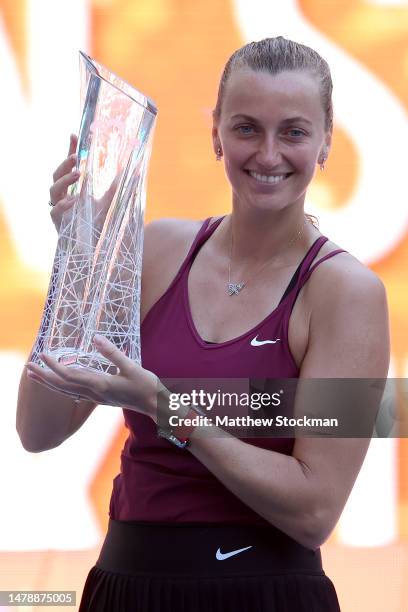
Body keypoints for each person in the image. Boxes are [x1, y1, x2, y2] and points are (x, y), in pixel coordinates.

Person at [17, 36, 390, 611]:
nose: (268, 154)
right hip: (126, 586)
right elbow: (39, 430)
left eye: (292, 131)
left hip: (261, 594)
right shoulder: (159, 250)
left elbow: (316, 510)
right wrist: (79, 265)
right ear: (215, 132)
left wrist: (168, 410)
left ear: (325, 142)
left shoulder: (345, 292)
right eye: (246, 128)